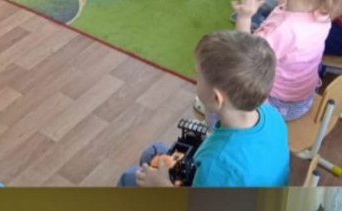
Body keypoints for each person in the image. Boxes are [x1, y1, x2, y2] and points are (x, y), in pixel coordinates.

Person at [123, 31, 290, 188]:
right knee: (152, 152)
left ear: (216, 98)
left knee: (129, 177)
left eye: (198, 76)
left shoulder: (215, 165)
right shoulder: (272, 115)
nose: (196, 79)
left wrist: (162, 185)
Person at [233, 0, 340, 120]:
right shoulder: (321, 13)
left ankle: (214, 128)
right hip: (303, 97)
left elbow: (246, 55)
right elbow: (286, 6)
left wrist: (244, 18)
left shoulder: (284, 30)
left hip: (278, 104)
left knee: (225, 82)